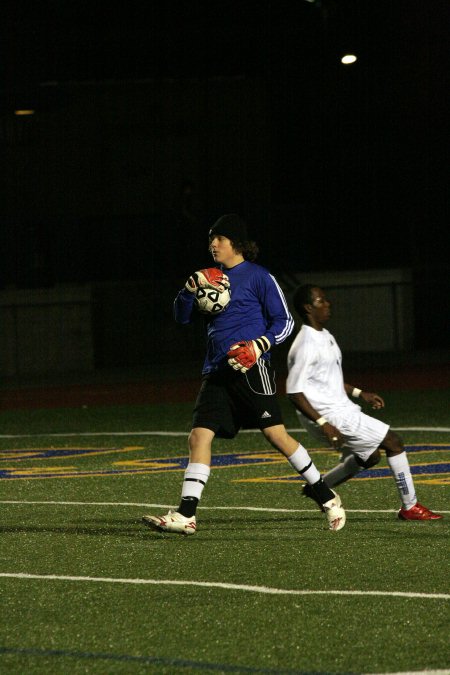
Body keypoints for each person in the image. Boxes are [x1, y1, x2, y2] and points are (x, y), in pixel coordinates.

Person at [143, 215, 346, 534]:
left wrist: (257, 346)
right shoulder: (210, 277)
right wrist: (188, 289)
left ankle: (326, 497)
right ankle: (186, 514)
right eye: (211, 239)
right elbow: (181, 318)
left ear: (236, 243)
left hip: (252, 369)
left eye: (219, 239)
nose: (213, 244)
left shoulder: (259, 277)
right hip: (216, 371)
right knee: (199, 436)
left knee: (276, 435)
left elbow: (285, 322)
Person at [286, 283, 443, 521]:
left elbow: (329, 380)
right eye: (321, 301)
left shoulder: (324, 335)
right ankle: (410, 507)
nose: (328, 304)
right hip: (330, 415)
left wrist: (360, 393)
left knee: (370, 457)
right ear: (308, 308)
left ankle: (318, 489)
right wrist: (324, 423)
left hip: (340, 408)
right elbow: (294, 392)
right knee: (393, 442)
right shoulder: (306, 344)